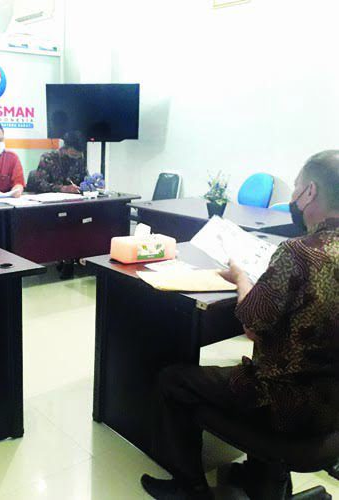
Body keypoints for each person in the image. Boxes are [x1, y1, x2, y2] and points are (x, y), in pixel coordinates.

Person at [140, 151, 339, 500]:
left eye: (296, 188)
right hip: (333, 403)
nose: (293, 196)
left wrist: (241, 278)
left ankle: (190, 488)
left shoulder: (299, 253)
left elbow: (252, 324)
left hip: (287, 407)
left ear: (309, 192)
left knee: (173, 380)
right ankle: (262, 477)